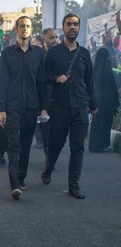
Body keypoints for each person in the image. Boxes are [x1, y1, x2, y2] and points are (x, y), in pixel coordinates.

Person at [42, 13, 98, 199]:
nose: (72, 27)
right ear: (63, 28)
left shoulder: (84, 54)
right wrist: (55, 78)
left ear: (79, 27)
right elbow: (43, 77)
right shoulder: (53, 53)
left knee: (78, 147)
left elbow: (89, 81)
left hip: (80, 106)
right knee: (56, 144)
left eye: (75, 24)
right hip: (59, 108)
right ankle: (49, 168)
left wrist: (93, 105)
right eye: (69, 24)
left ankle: (74, 185)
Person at [0, 16, 47, 200]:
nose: (25, 29)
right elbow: (3, 83)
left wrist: (43, 108)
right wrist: (1, 109)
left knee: (26, 143)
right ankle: (14, 184)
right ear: (16, 29)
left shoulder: (39, 54)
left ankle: (21, 177)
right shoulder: (7, 54)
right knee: (13, 144)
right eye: (21, 26)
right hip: (12, 107)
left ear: (31, 29)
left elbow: (41, 83)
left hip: (31, 107)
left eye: (28, 26)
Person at [89, 48, 120, 152]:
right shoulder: (107, 68)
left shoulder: (94, 68)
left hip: (96, 100)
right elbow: (111, 87)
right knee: (105, 122)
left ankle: (94, 145)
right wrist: (115, 101)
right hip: (106, 101)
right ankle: (102, 145)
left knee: (96, 123)